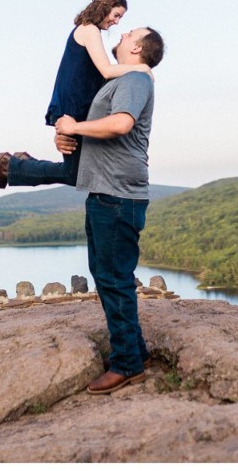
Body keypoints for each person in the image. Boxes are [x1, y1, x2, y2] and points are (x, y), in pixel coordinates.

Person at [54, 26, 165, 395]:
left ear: (136, 47)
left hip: (117, 197)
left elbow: (121, 123)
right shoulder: (127, 78)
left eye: (129, 32)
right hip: (107, 193)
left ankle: (127, 366)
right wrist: (68, 133)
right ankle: (136, 352)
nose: (120, 33)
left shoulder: (135, 78)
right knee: (108, 277)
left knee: (114, 280)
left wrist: (76, 125)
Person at [0, 0, 150, 191]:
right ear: (105, 7)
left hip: (79, 108)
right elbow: (106, 70)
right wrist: (142, 67)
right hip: (73, 108)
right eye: (116, 15)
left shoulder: (91, 31)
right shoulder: (89, 30)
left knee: (77, 172)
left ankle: (16, 163)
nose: (117, 22)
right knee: (75, 174)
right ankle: (11, 165)